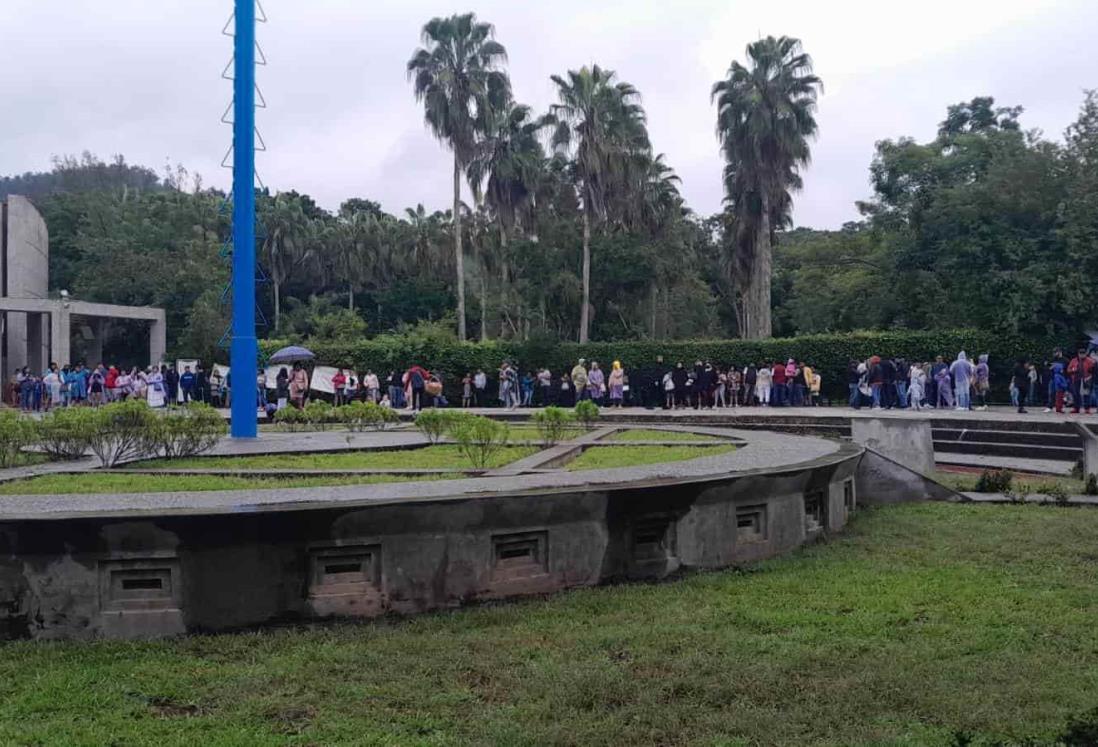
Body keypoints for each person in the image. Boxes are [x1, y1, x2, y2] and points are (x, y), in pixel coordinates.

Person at [1067, 348, 1094, 415]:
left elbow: (1093, 370)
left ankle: (1087, 409)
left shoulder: (1090, 361)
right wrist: (1073, 370)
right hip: (1076, 379)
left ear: (1085, 354)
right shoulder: (1074, 361)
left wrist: (1090, 376)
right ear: (1078, 354)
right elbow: (1068, 370)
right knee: (1076, 394)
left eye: (1083, 354)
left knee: (1086, 394)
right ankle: (1076, 408)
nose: (1081, 355)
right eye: (1080, 353)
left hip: (1086, 379)